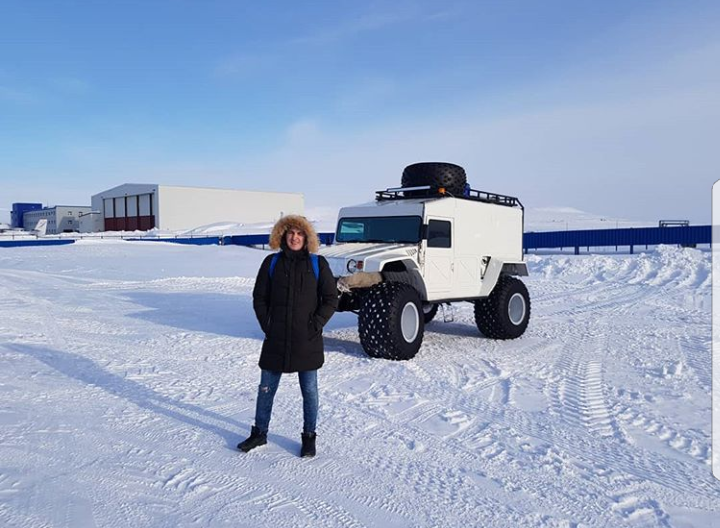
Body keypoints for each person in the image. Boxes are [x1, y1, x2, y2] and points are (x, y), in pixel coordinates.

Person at [238, 215, 338, 457]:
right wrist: (268, 325)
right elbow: (260, 298)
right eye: (291, 232)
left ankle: (309, 437)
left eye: (300, 233)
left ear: (306, 238)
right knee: (265, 389)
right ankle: (259, 433)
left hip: (307, 340)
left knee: (310, 392)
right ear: (283, 235)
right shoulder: (271, 263)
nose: (295, 237)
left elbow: (330, 299)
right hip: (276, 338)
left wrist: (315, 325)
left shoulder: (318, 264)